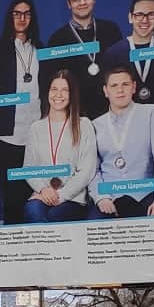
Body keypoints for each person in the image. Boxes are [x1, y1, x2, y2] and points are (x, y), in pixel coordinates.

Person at [0, 0, 42, 224]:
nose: (22, 18)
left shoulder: (40, 49)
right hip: (8, 136)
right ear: (9, 17)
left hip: (37, 135)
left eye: (26, 13)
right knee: (12, 199)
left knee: (36, 197)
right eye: (17, 13)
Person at [88, 64, 154, 218]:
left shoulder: (151, 113)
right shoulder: (94, 125)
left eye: (125, 84)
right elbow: (92, 170)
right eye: (114, 86)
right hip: (110, 197)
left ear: (134, 87)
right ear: (106, 91)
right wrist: (101, 197)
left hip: (146, 193)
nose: (120, 90)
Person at [20, 69, 96, 221]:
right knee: (32, 210)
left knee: (53, 216)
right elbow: (28, 168)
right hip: (43, 195)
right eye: (54, 89)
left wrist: (60, 195)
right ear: (47, 92)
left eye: (65, 90)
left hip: (73, 198)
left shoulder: (84, 125)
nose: (58, 95)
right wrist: (43, 189)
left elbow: (87, 171)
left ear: (72, 95)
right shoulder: (36, 128)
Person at [45, 0, 121, 118]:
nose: (82, 3)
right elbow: (51, 83)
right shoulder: (56, 39)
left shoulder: (111, 30)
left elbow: (122, 70)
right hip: (75, 115)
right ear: (68, 4)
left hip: (112, 111)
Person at [97, 0, 154, 106]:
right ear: (130, 17)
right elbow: (105, 96)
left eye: (151, 14)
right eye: (139, 15)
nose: (145, 20)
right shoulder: (114, 54)